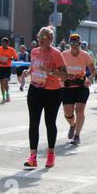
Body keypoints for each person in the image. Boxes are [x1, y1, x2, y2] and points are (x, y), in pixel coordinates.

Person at [22, 27, 67, 169]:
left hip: (52, 92)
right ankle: (32, 157)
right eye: (39, 37)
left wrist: (50, 71)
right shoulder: (34, 52)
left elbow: (64, 75)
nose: (41, 40)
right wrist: (27, 72)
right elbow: (33, 67)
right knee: (33, 123)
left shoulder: (56, 54)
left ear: (50, 40)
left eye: (44, 38)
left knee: (49, 122)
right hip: (35, 89)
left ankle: (51, 155)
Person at [61, 34, 97, 145]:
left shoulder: (85, 55)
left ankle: (77, 135)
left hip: (81, 85)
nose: (74, 46)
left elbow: (93, 70)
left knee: (79, 110)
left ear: (80, 44)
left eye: (76, 43)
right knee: (68, 113)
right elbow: (58, 69)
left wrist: (89, 79)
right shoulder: (64, 55)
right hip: (67, 86)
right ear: (69, 44)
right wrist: (62, 77)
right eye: (72, 43)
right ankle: (72, 125)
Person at [0, 37, 18, 104]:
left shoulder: (11, 50)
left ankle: (7, 94)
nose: (3, 45)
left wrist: (11, 58)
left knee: (5, 82)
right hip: (0, 67)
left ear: (8, 44)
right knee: (1, 83)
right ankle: (3, 97)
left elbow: (15, 57)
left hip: (7, 68)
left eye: (4, 43)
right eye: (2, 43)